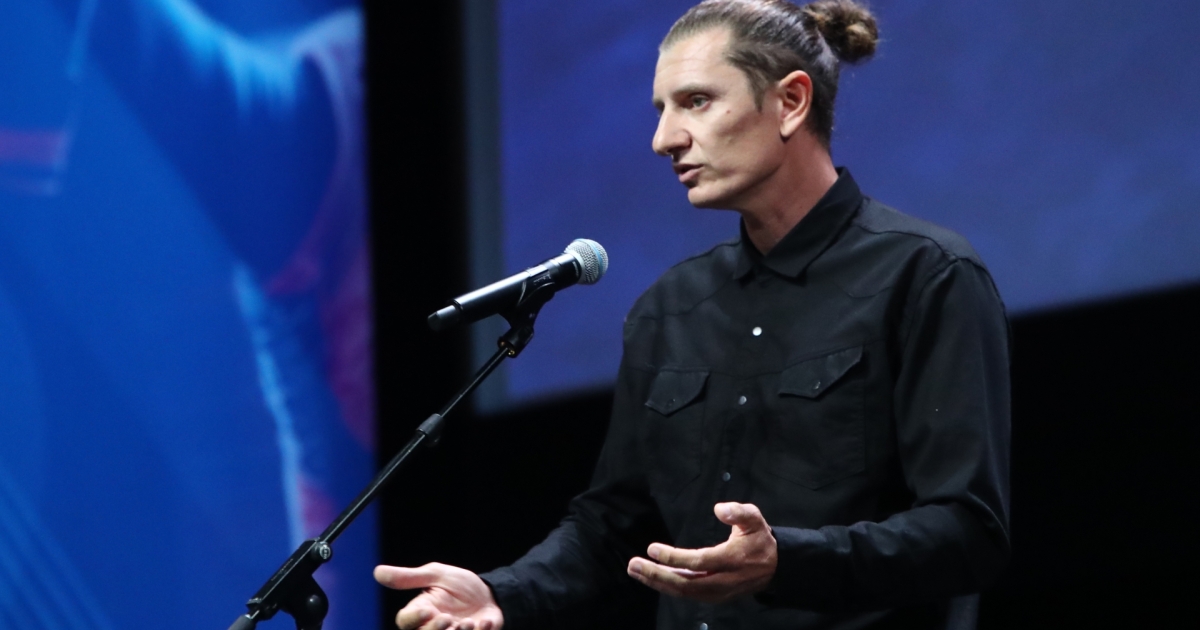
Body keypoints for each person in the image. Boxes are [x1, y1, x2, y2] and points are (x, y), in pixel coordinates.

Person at [375, 1, 1011, 628]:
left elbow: (968, 531)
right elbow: (612, 526)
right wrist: (502, 594)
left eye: (696, 102)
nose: (664, 140)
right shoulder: (669, 310)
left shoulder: (926, 275)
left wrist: (785, 562)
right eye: (661, 110)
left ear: (791, 102)